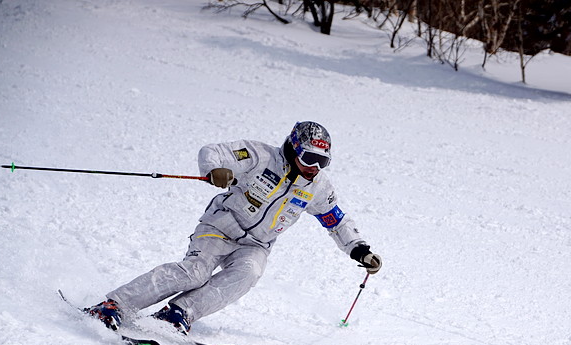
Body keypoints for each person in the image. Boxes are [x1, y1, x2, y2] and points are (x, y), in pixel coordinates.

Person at [85, 121, 382, 334]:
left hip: (256, 245)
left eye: (322, 161)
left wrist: (359, 249)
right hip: (221, 226)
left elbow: (336, 220)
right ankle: (114, 305)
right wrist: (215, 170)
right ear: (293, 149)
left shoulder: (317, 187)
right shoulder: (259, 155)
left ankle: (179, 313)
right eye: (309, 158)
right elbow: (212, 151)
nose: (314, 167)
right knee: (195, 272)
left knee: (249, 273)